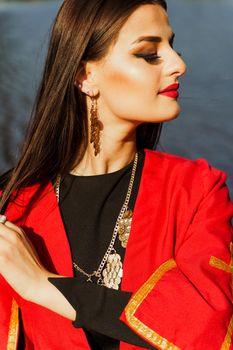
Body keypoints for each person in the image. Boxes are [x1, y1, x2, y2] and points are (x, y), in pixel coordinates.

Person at [0, 0, 232, 349]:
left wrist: (41, 284)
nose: (179, 64)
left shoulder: (197, 191)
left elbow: (208, 328)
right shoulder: (13, 207)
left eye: (172, 46)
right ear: (85, 75)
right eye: (149, 53)